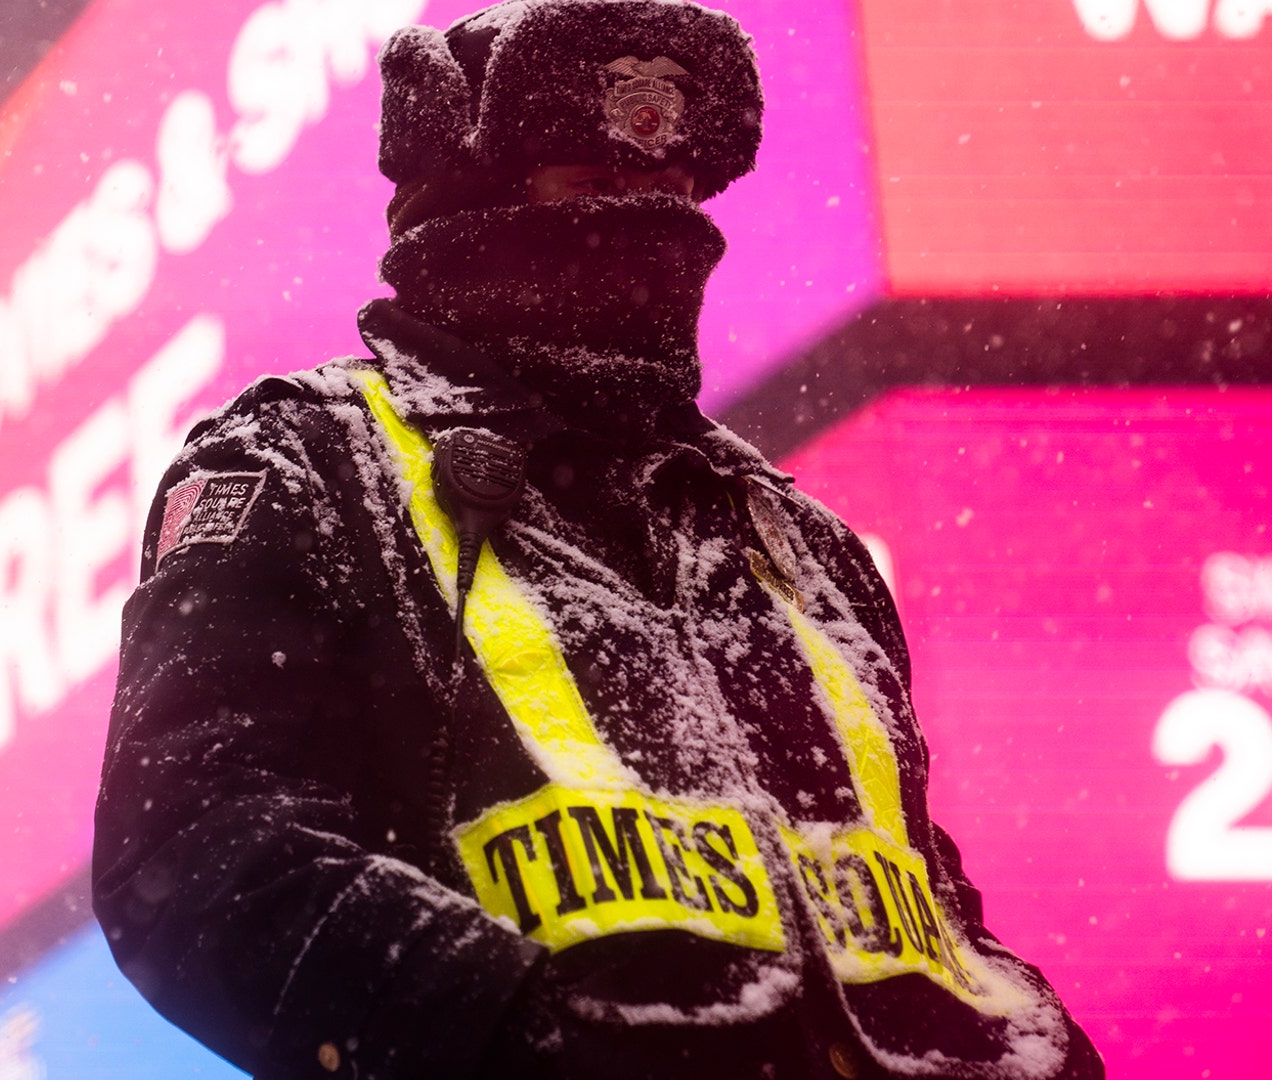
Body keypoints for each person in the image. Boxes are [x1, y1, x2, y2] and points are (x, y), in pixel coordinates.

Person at [92, 1, 1104, 1077]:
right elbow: (197, 854)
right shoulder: (306, 461)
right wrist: (520, 1036)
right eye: (592, 190)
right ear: (462, 206)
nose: (652, 232)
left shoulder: (798, 539)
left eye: (676, 195)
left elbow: (924, 901)